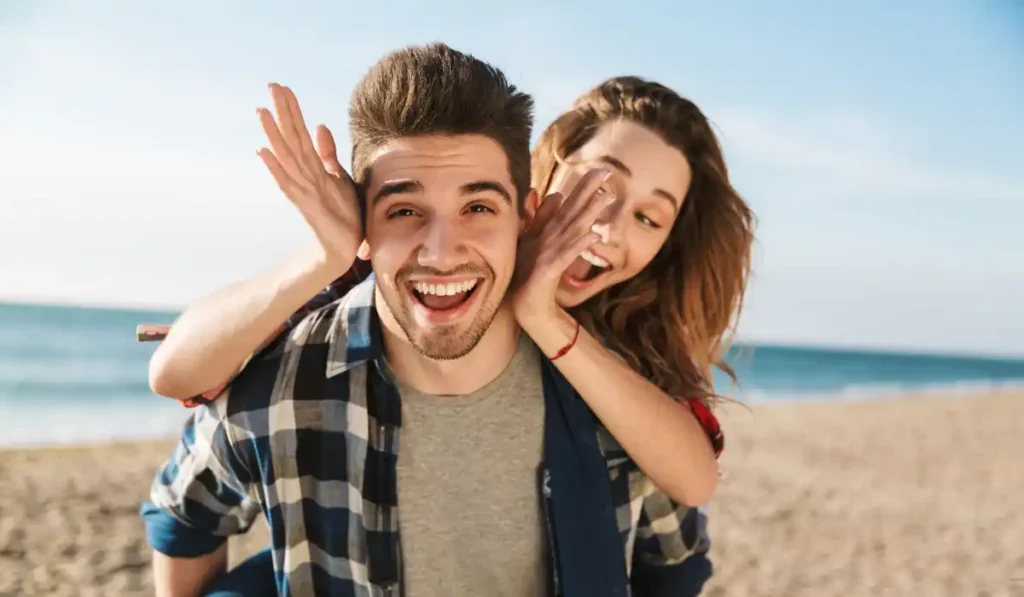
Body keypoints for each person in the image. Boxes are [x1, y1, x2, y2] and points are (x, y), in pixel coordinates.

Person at [141, 43, 744, 597]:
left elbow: (682, 533)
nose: (442, 248)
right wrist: (325, 257)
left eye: (649, 219)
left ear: (520, 207)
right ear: (547, 181)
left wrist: (544, 319)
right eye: (602, 187)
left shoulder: (623, 382)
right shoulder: (299, 359)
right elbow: (183, 482)